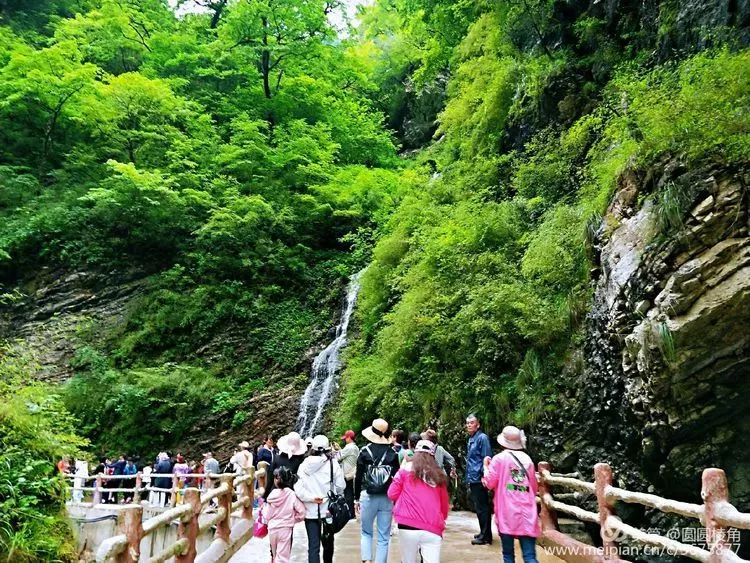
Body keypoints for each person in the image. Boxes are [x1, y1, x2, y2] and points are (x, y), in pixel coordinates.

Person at [483, 426, 540, 563]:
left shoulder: (499, 459)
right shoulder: (527, 459)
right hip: (527, 511)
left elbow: (489, 483)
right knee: (530, 556)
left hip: (507, 512)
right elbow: (533, 487)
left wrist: (486, 467)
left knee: (508, 555)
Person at [388, 440, 450, 563]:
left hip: (407, 525)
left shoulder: (404, 470)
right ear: (432, 456)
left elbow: (392, 494)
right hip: (432, 526)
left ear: (415, 453)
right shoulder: (439, 476)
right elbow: (444, 506)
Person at [355, 418, 400, 563]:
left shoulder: (364, 452)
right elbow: (397, 478)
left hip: (368, 495)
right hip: (386, 497)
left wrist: (356, 499)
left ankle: (367, 560)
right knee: (383, 536)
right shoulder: (392, 453)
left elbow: (358, 477)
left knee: (366, 532)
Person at [294, 435, 345, 563]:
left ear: (313, 448)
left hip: (310, 511)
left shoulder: (304, 465)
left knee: (313, 546)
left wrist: (311, 498)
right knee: (328, 542)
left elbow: (298, 489)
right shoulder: (333, 464)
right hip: (329, 510)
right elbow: (340, 486)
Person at [266, 466, 306, 563]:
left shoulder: (272, 496)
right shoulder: (291, 494)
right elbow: (302, 512)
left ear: (276, 480)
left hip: (272, 528)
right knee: (282, 557)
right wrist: (293, 519)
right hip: (285, 528)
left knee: (274, 555)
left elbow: (267, 515)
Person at [466, 414, 493, 545]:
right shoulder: (472, 439)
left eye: (472, 422)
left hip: (479, 477)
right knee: (479, 507)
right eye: (467, 423)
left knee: (483, 507)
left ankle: (486, 536)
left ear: (478, 425)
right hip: (473, 476)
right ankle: (483, 532)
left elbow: (486, 458)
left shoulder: (482, 438)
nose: (469, 425)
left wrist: (484, 475)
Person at [336, 429, 359, 518]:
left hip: (347, 474)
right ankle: (352, 513)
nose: (345, 440)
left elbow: (338, 457)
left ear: (349, 438)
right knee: (350, 493)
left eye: (346, 438)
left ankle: (350, 514)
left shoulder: (349, 447)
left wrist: (335, 450)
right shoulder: (355, 447)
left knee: (348, 493)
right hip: (353, 473)